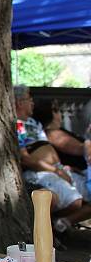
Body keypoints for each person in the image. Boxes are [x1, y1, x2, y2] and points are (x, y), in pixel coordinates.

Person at [13, 85, 91, 232]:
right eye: (29, 99)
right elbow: (26, 159)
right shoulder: (18, 126)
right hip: (42, 173)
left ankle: (55, 226)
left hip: (57, 170)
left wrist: (62, 168)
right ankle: (46, 229)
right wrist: (55, 170)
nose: (32, 103)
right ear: (19, 103)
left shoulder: (33, 123)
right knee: (70, 201)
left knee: (80, 200)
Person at [32, 98, 91, 199]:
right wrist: (88, 141)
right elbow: (81, 149)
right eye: (56, 110)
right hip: (83, 178)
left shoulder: (57, 131)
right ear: (51, 114)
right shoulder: (52, 133)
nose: (60, 113)